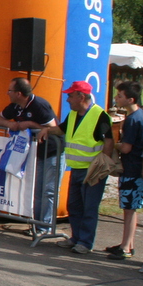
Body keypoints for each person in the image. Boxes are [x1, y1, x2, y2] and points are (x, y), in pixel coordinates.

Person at [37, 81, 113, 254]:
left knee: (89, 207)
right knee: (75, 205)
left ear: (81, 96)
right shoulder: (72, 115)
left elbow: (108, 141)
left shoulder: (100, 115)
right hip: (77, 168)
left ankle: (85, 243)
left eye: (70, 96)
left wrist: (103, 166)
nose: (68, 99)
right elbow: (61, 130)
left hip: (92, 170)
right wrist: (47, 130)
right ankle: (76, 238)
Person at [0, 77, 61, 236]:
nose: (7, 93)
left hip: (52, 151)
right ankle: (37, 226)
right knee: (37, 190)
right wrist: (10, 124)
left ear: (18, 93)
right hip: (36, 152)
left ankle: (45, 227)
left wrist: (30, 124)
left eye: (9, 91)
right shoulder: (15, 106)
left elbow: (54, 129)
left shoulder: (39, 105)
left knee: (49, 191)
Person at [105, 81, 143, 260]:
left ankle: (126, 247)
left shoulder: (132, 119)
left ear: (131, 99)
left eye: (119, 96)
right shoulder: (140, 115)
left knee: (129, 208)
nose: (116, 98)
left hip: (132, 168)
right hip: (135, 168)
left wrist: (115, 145)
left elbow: (127, 147)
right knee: (131, 207)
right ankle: (127, 243)